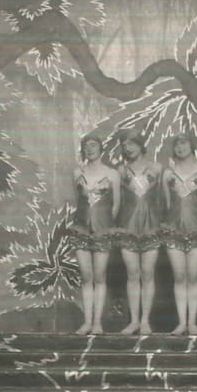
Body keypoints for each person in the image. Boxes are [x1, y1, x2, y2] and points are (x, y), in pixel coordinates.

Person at [112, 131, 164, 335]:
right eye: (124, 145)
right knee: (132, 274)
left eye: (132, 143)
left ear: (141, 145)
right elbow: (116, 200)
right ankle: (133, 321)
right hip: (128, 225)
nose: (128, 148)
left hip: (151, 225)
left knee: (148, 274)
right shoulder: (121, 171)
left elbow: (163, 199)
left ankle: (145, 322)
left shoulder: (157, 168)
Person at [161, 133, 197, 335]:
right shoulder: (168, 174)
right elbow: (167, 204)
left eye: (184, 143)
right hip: (173, 229)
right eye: (177, 144)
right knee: (179, 277)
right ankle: (181, 322)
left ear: (193, 146)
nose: (180, 148)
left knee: (194, 276)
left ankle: (192, 323)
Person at [69, 133, 120, 335]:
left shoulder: (112, 174)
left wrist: (104, 224)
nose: (89, 149)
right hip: (81, 227)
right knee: (86, 276)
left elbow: (115, 206)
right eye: (86, 146)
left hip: (102, 229)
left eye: (93, 145)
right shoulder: (77, 173)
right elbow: (78, 201)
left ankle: (97, 323)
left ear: (101, 148)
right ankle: (87, 322)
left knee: (99, 276)